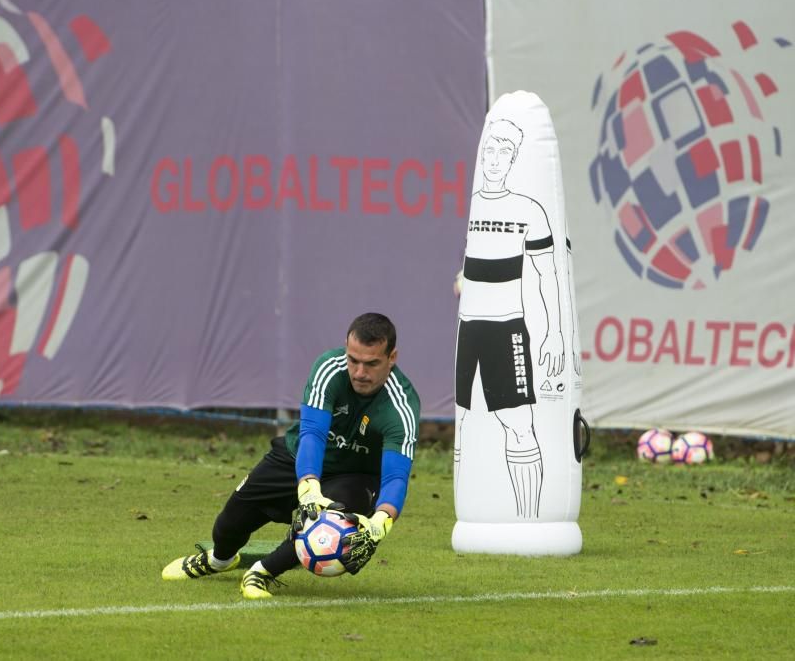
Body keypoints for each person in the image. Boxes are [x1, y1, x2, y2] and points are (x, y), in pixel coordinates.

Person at [161, 312, 420, 599]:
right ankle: (218, 560)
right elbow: (313, 433)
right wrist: (308, 485)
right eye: (353, 360)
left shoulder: (401, 407)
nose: (359, 372)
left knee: (330, 523)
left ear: (391, 357)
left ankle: (262, 572)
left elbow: (396, 475)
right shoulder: (329, 368)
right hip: (299, 455)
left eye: (371, 363)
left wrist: (380, 522)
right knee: (228, 523)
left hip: (354, 476)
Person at [453, 118, 565, 519]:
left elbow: (547, 273)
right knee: (463, 421)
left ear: (515, 158)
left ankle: (529, 519)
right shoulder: (474, 207)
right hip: (469, 329)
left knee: (518, 423)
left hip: (507, 330)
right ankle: (470, 511)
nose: (495, 158)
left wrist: (553, 332)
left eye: (504, 151)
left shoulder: (529, 210)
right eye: (489, 149)